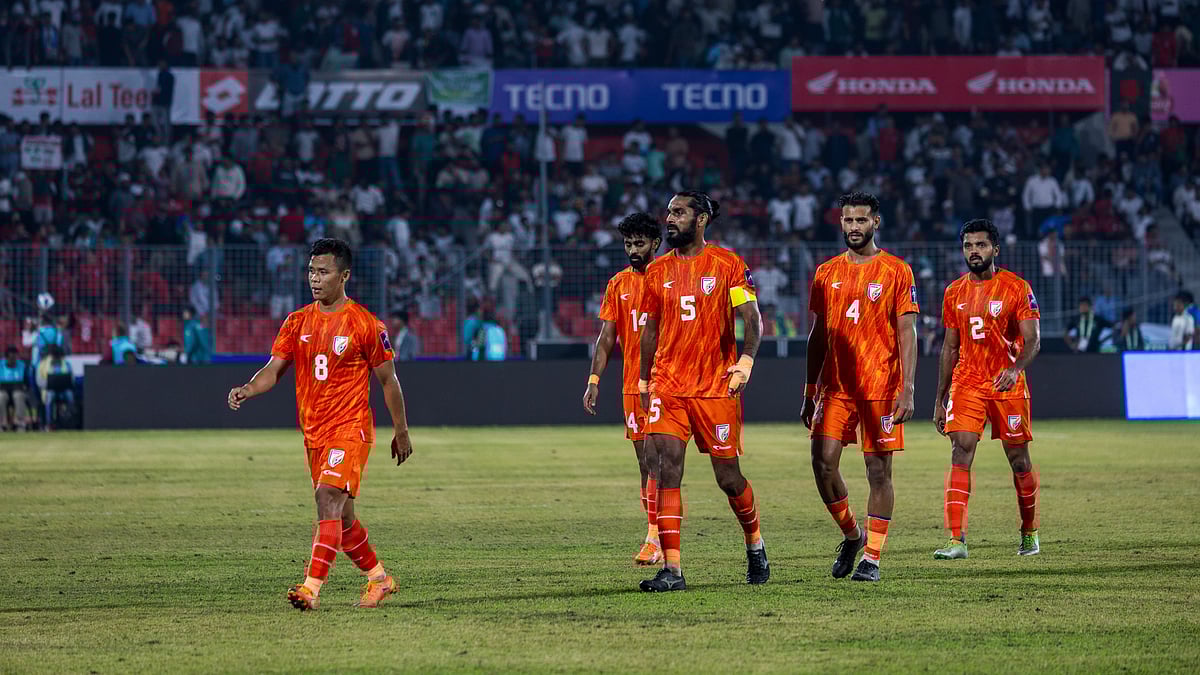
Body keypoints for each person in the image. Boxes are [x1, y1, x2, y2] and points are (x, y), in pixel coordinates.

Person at [227, 238, 414, 611]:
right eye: (312, 270)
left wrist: (402, 430)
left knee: (326, 498)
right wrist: (249, 387)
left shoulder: (365, 323)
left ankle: (310, 589)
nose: (315, 278)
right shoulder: (297, 321)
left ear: (344, 276)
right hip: (314, 432)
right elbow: (274, 369)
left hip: (350, 428)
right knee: (343, 520)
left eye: (323, 272)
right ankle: (380, 579)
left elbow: (388, 380)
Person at [637, 190, 768, 592]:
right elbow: (650, 330)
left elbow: (752, 319)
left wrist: (744, 363)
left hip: (714, 388)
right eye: (669, 212)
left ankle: (755, 544)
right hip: (669, 385)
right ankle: (672, 570)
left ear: (701, 219)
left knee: (728, 478)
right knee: (666, 468)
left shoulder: (728, 265)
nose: (669, 218)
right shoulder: (657, 271)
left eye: (678, 212)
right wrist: (643, 380)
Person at [800, 191, 919, 583]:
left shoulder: (897, 271)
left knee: (878, 472)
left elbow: (907, 331)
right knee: (822, 462)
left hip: (881, 387)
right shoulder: (826, 272)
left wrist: (908, 387)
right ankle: (852, 534)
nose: (854, 227)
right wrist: (808, 388)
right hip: (835, 388)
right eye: (848, 220)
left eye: (861, 220)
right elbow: (818, 335)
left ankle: (872, 558)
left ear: (876, 222)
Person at [931, 219, 1043, 561]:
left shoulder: (1016, 287)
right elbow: (950, 348)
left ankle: (1029, 531)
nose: (973, 251)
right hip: (967, 383)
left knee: (1019, 459)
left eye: (980, 245)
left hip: (1006, 385)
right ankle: (956, 540)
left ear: (995, 248)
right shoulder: (954, 292)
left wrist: (1014, 369)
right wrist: (940, 399)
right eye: (968, 245)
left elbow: (1034, 339)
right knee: (960, 450)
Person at [583, 212, 664, 566]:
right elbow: (605, 340)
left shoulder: (669, 278)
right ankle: (657, 532)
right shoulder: (618, 284)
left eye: (640, 243)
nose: (633, 250)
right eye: (629, 244)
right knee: (644, 465)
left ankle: (655, 537)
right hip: (632, 385)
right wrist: (593, 381)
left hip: (665, 382)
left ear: (655, 244)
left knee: (656, 457)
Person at [0, 346, 30, 431]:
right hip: (2, 391)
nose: (13, 360)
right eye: (11, 358)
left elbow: (27, 382)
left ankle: (19, 423)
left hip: (18, 390)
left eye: (15, 357)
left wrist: (25, 387)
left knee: (19, 396)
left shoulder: (22, 365)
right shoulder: (0, 366)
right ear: (6, 358)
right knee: (1, 397)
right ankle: (2, 424)